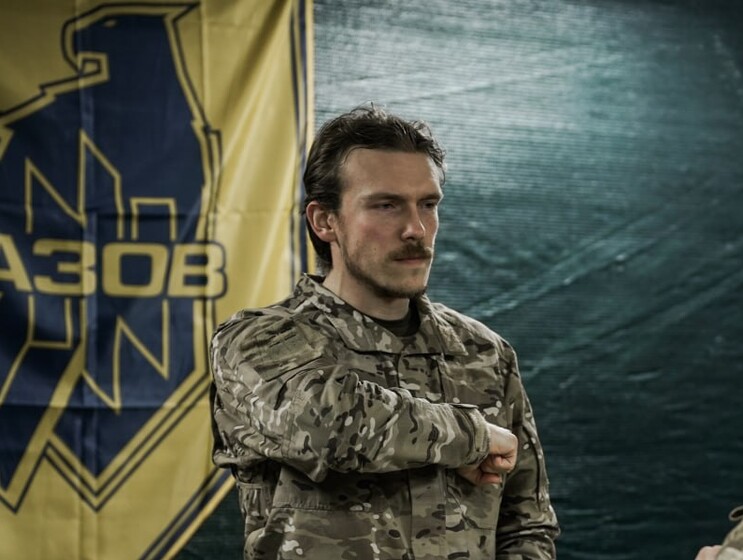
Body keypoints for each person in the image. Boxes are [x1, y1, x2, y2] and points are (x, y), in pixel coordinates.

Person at [210, 104, 560, 559]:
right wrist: (474, 437)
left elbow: (526, 526)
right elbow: (330, 426)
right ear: (324, 221)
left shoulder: (484, 353)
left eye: (428, 205)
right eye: (386, 205)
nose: (416, 229)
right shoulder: (257, 341)